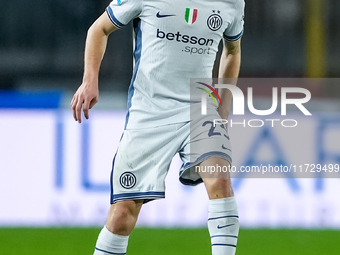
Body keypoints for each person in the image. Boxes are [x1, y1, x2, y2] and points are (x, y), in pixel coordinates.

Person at [71, 0, 245, 254]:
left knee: (219, 180)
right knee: (122, 215)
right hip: (149, 113)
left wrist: (224, 106)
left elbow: (232, 51)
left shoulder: (232, 3)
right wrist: (89, 81)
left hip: (200, 108)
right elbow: (99, 29)